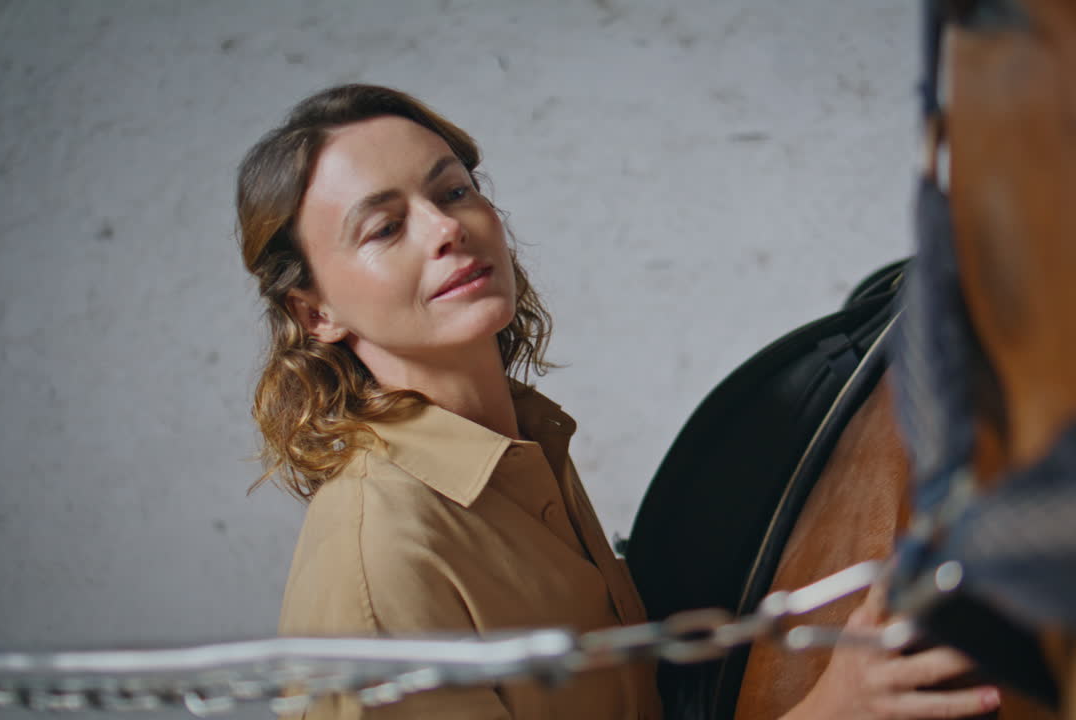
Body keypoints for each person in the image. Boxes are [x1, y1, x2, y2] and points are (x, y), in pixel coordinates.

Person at [236, 83, 1002, 720]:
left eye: (453, 190)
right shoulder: (382, 565)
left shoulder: (524, 451)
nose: (445, 229)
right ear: (316, 313)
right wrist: (827, 711)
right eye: (384, 227)